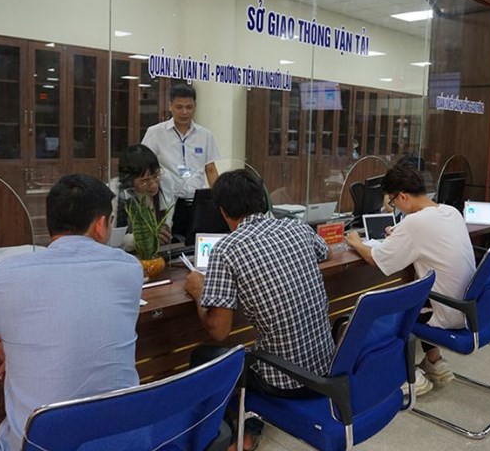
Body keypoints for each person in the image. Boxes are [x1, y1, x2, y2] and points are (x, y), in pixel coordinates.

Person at [0, 174, 143, 451]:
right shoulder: (129, 269)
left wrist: (9, 338)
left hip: (38, 445)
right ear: (100, 225)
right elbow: (81, 318)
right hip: (122, 442)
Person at [184, 169, 334, 449]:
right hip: (326, 369)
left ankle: (226, 436)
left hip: (284, 382)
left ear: (223, 212)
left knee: (203, 357)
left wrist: (197, 291)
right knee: (252, 349)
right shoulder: (297, 228)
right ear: (262, 200)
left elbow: (219, 331)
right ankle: (249, 427)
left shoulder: (227, 249)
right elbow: (327, 252)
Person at [345, 161, 475, 396]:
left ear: (403, 196)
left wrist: (355, 242)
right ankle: (434, 362)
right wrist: (402, 234)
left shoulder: (414, 223)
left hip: (447, 311)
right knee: (418, 293)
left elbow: (377, 259)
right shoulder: (450, 211)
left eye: (393, 202)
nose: (395, 207)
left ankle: (405, 375)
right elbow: (425, 236)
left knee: (382, 309)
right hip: (467, 306)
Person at [141, 84, 220, 238]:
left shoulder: (205, 135)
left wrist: (219, 200)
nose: (184, 112)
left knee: (195, 242)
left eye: (189, 107)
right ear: (170, 106)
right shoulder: (155, 133)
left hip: (197, 203)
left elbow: (210, 169)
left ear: (195, 106)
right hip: (168, 204)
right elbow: (144, 167)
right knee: (169, 243)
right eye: (179, 107)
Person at [109, 144, 173, 250]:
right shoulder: (114, 193)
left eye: (156, 176)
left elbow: (168, 220)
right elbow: (110, 240)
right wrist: (143, 238)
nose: (153, 185)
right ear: (129, 180)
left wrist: (164, 231)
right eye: (144, 181)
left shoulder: (165, 183)